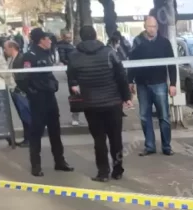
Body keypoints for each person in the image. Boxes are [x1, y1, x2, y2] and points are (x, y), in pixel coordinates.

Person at [67, 26, 132, 182]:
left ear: (81, 38)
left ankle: (103, 172)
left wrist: (75, 86)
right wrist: (126, 97)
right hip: (112, 103)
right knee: (115, 138)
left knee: (99, 139)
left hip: (91, 104)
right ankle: (117, 170)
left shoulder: (74, 56)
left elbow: (71, 78)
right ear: (96, 36)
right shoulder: (109, 52)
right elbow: (121, 76)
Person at [22, 28, 73, 177]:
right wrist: (33, 92)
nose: (50, 41)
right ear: (41, 40)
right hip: (38, 99)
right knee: (36, 133)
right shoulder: (29, 56)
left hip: (50, 97)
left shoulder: (47, 53)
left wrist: (54, 85)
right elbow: (25, 79)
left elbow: (49, 75)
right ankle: (36, 165)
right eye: (47, 38)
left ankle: (59, 161)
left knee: (55, 131)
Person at [128, 16, 177, 156]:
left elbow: (171, 63)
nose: (152, 29)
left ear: (157, 27)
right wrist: (130, 80)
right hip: (142, 84)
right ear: (145, 26)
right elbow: (132, 61)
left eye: (154, 26)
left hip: (160, 83)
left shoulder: (164, 42)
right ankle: (149, 146)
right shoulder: (137, 41)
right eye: (149, 26)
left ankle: (166, 147)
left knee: (164, 117)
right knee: (144, 116)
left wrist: (173, 84)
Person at [3, 41, 30, 147]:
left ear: (12, 48)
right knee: (22, 115)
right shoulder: (10, 60)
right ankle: (26, 138)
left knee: (26, 115)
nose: (4, 51)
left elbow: (26, 74)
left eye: (5, 48)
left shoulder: (22, 58)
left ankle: (29, 139)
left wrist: (15, 77)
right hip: (14, 90)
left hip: (21, 91)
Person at [56, 30, 82, 126]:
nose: (69, 39)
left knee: (78, 95)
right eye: (67, 37)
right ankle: (75, 118)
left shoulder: (70, 45)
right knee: (75, 95)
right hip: (72, 72)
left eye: (70, 37)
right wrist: (72, 64)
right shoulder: (63, 46)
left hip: (75, 70)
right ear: (63, 37)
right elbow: (63, 59)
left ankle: (76, 117)